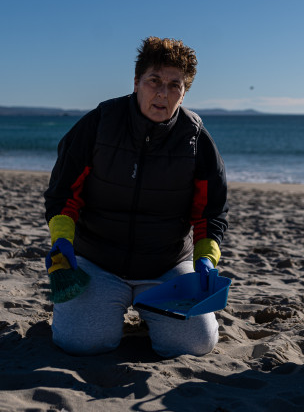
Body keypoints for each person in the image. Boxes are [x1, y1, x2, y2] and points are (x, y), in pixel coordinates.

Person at [43, 36, 229, 357]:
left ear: (184, 92)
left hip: (166, 267)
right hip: (98, 262)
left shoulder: (196, 139)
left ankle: (151, 312)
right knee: (81, 342)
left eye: (174, 85)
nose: (162, 93)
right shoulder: (99, 123)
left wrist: (206, 259)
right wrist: (62, 241)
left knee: (195, 343)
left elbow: (210, 213)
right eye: (154, 81)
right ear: (136, 82)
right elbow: (63, 193)